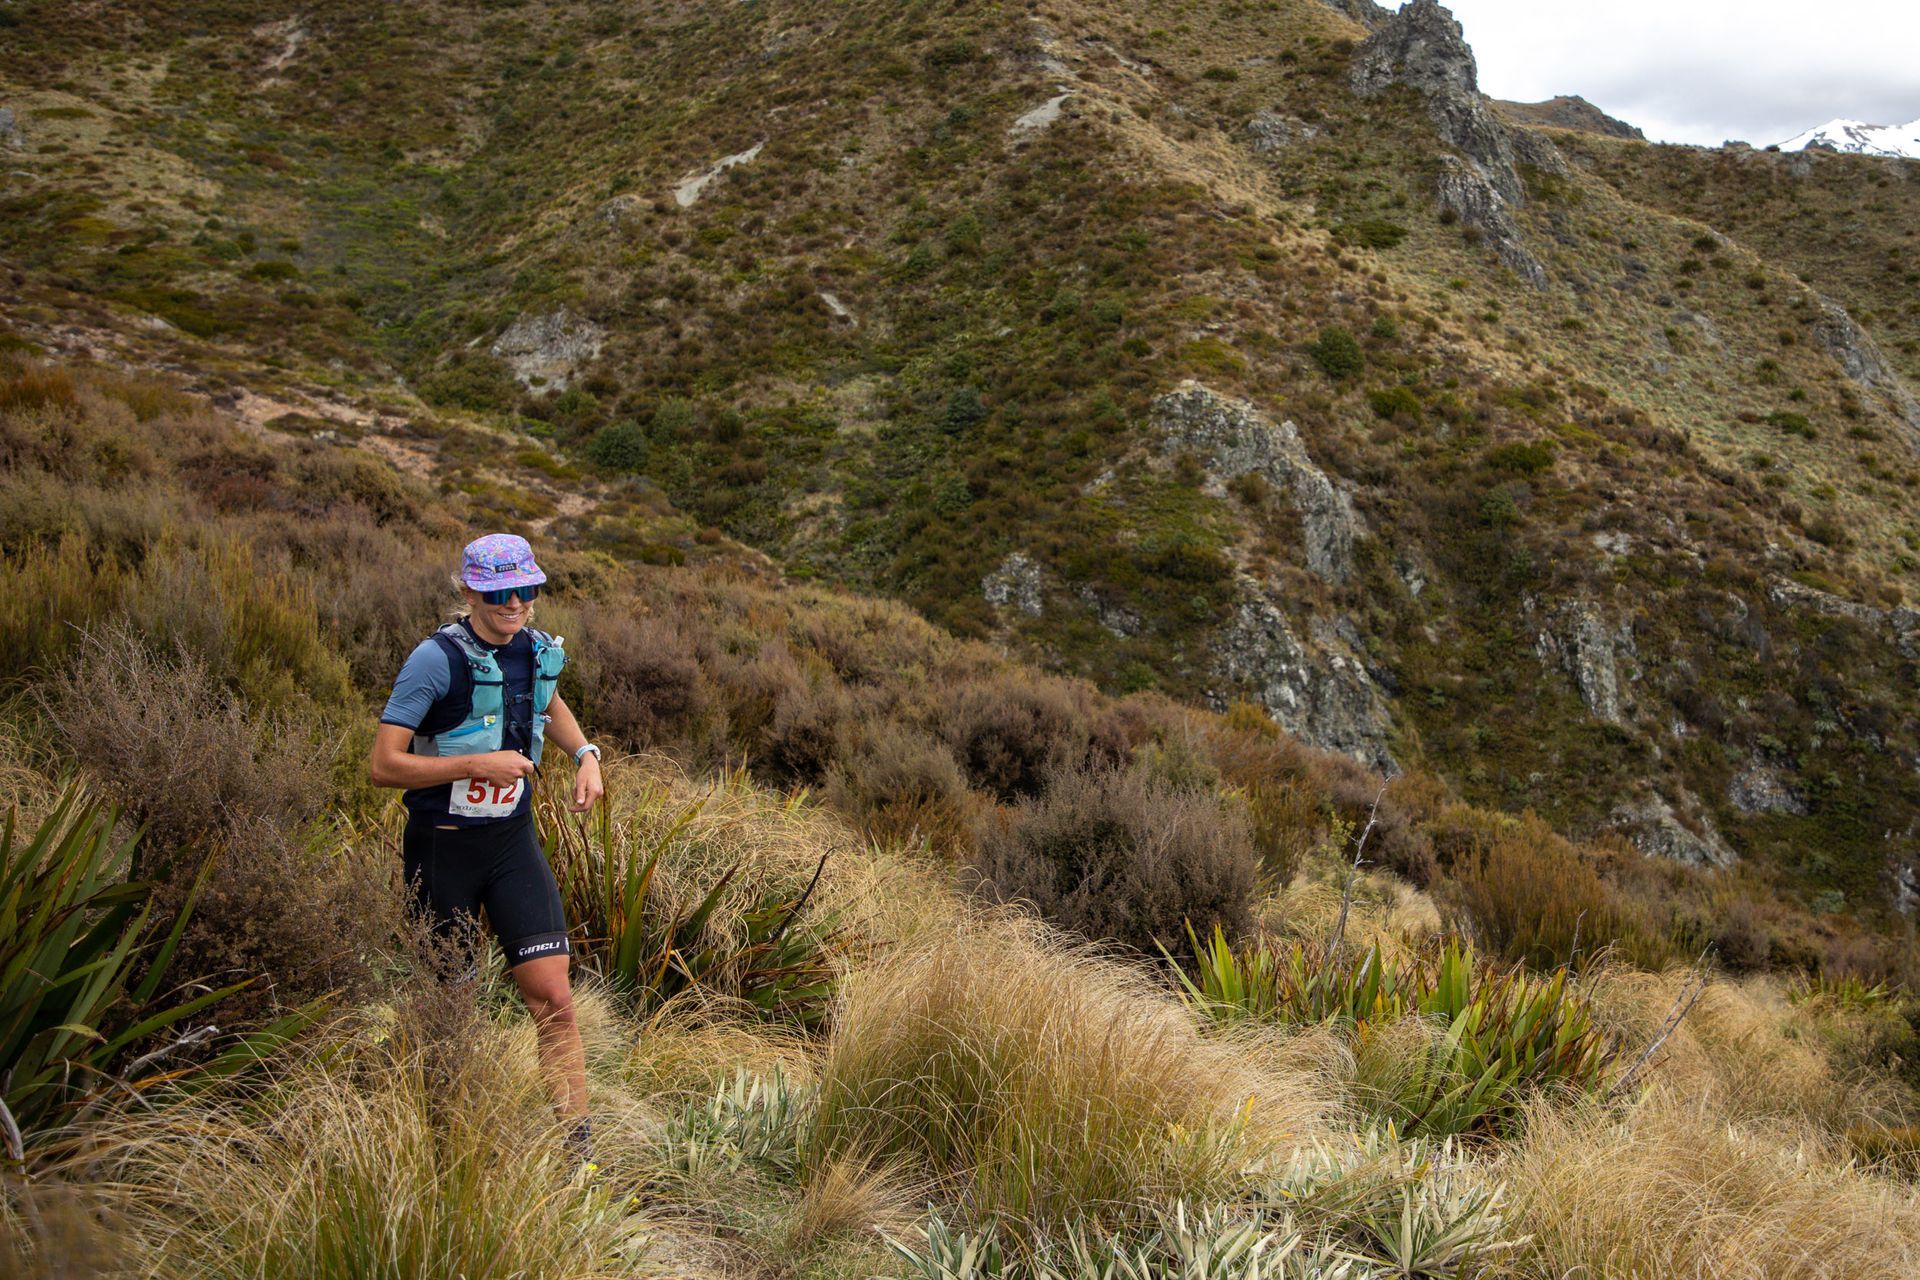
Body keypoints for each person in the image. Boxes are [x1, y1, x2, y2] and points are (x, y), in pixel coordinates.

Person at [369, 532, 605, 1162]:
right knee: (450, 1003)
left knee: (554, 997)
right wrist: (475, 765)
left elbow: (546, 703)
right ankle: (433, 1136)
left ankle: (577, 1153)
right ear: (472, 590)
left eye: (528, 589)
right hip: (442, 847)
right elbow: (384, 765)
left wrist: (584, 755)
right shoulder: (433, 661)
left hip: (510, 842)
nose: (517, 602)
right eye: (501, 592)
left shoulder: (533, 649)